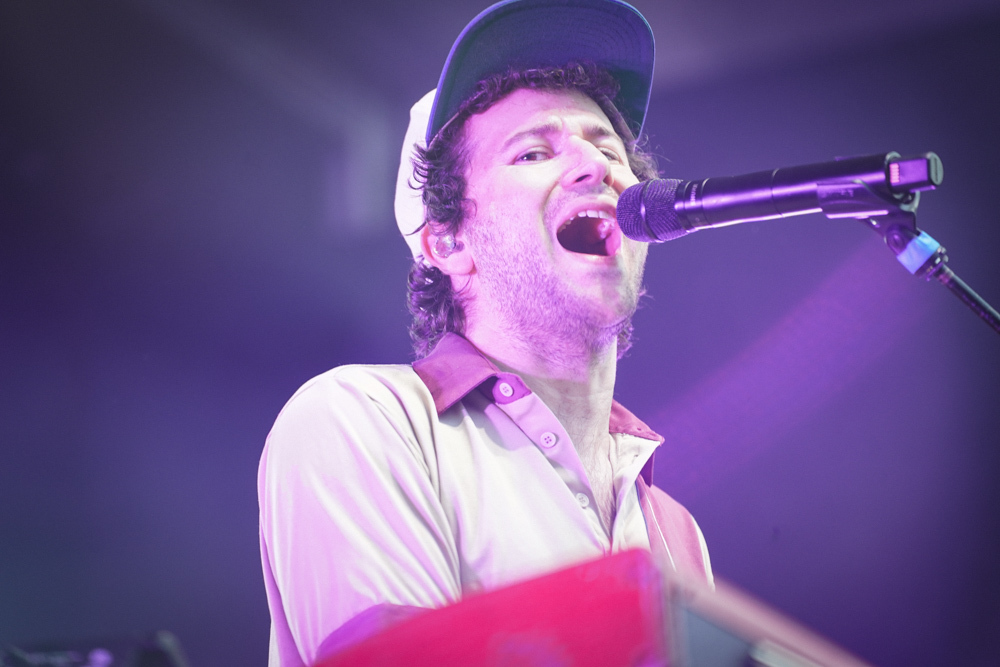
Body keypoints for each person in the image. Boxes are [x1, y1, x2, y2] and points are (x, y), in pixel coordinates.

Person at [258, 1, 712, 665]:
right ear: (448, 242)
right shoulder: (364, 420)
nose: (595, 167)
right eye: (533, 152)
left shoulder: (674, 528)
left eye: (607, 148)